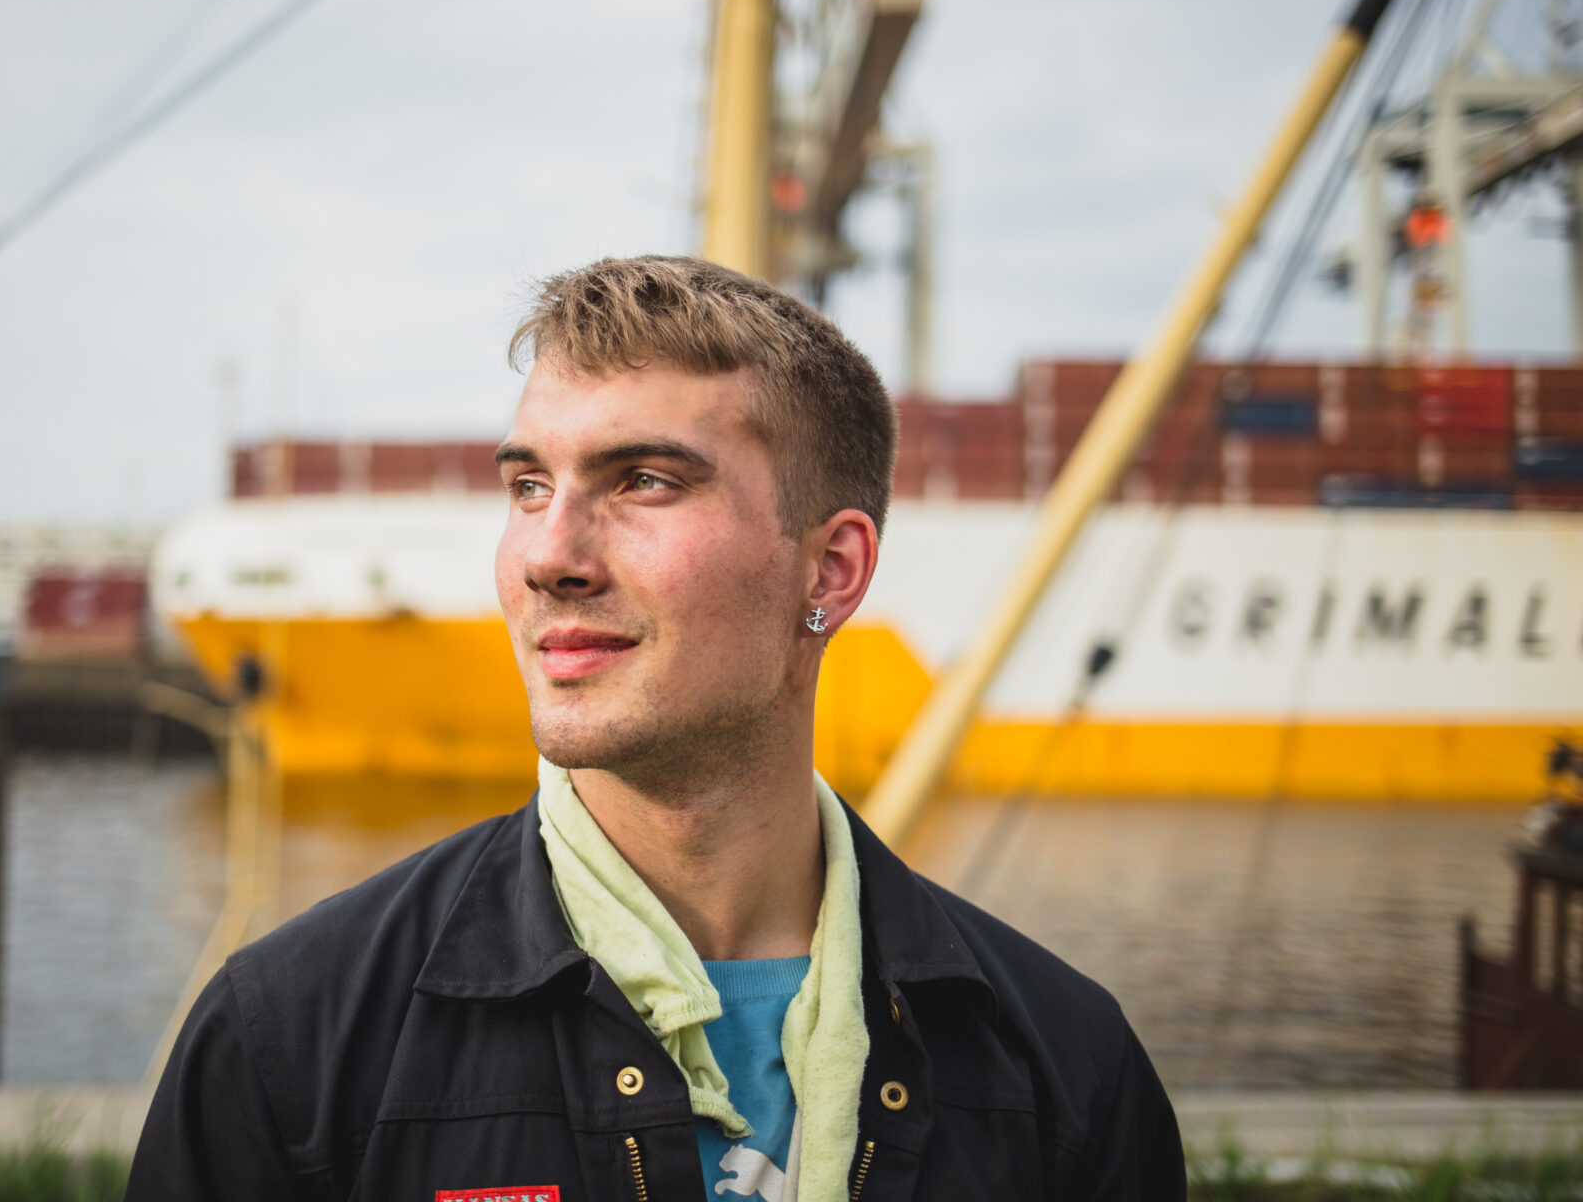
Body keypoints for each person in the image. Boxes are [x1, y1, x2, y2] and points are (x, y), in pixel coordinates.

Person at [127, 256, 1185, 1202]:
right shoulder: (285, 1044)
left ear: (830, 570)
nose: (549, 556)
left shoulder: (1071, 1070)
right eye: (528, 485)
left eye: (643, 481)